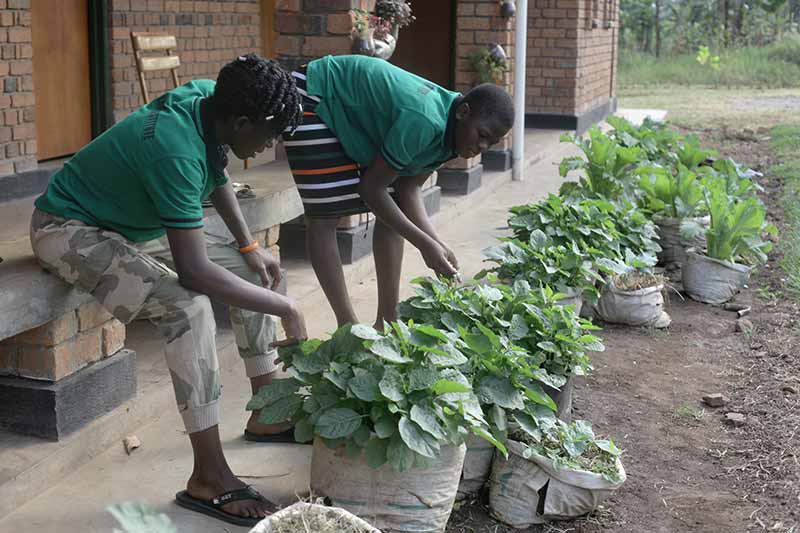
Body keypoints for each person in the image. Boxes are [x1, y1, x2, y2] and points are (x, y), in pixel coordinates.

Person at [29, 54, 305, 527]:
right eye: (270, 133)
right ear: (241, 121)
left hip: (129, 223)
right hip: (68, 228)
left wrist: (249, 245)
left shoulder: (209, 100)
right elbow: (194, 273)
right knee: (188, 307)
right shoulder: (173, 148)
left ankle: (268, 410)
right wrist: (289, 310)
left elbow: (216, 172)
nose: (271, 144)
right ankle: (209, 477)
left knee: (251, 270)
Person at [283, 54, 514, 328]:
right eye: (483, 135)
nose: (483, 147)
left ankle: (387, 322)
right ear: (463, 112)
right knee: (325, 216)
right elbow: (371, 188)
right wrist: (424, 245)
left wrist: (436, 243)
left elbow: (409, 188)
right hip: (313, 92)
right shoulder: (425, 120)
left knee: (393, 212)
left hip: (348, 104)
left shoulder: (454, 135)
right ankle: (348, 327)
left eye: (492, 142)